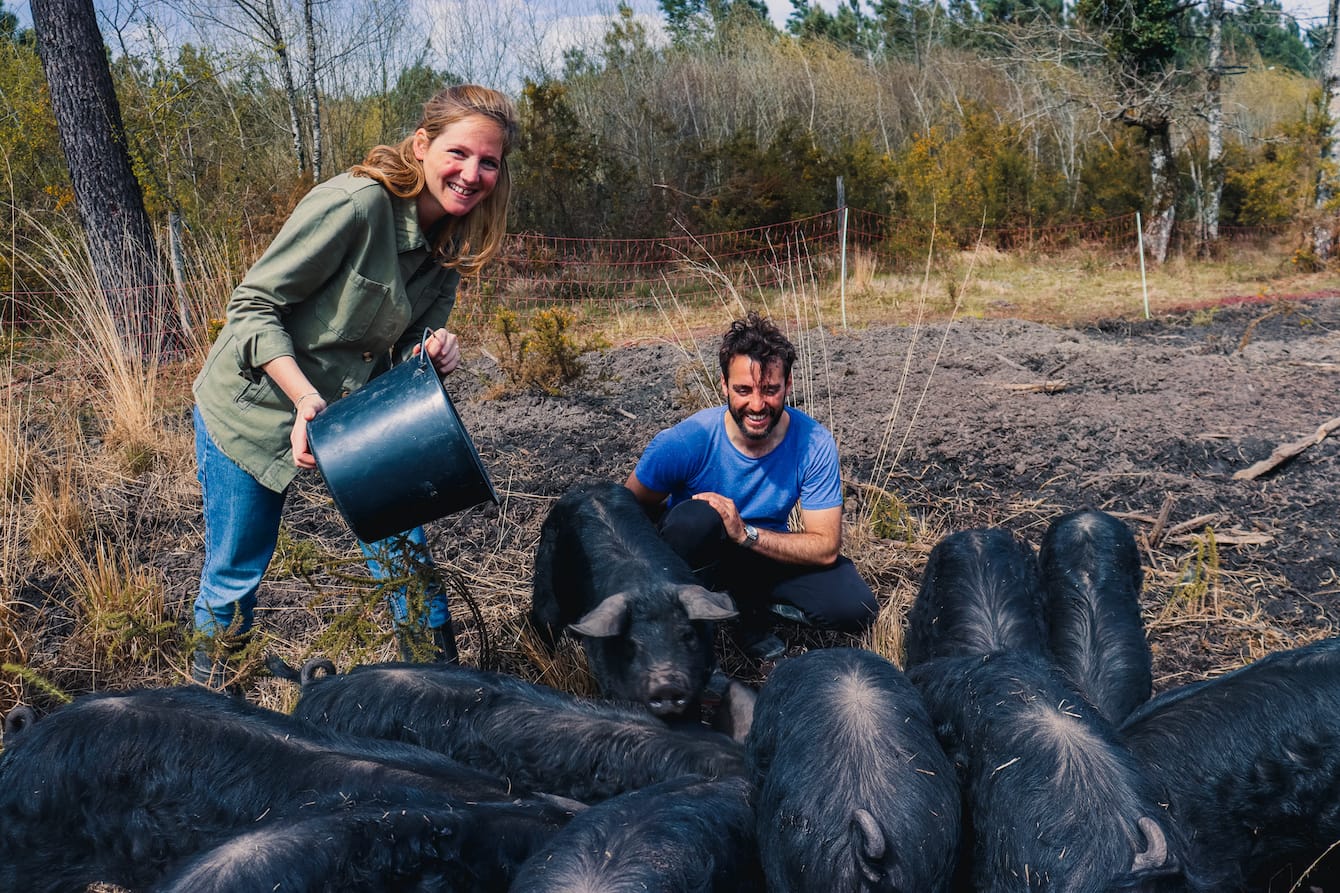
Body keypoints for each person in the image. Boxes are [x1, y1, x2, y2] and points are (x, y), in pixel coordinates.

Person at [190, 84, 519, 686]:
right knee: (236, 571)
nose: (472, 174)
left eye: (489, 161)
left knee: (406, 560)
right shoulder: (354, 206)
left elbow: (397, 355)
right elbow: (252, 307)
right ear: (422, 146)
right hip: (253, 409)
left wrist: (429, 354)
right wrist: (303, 398)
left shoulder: (452, 243)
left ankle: (437, 698)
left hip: (352, 422)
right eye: (458, 153)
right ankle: (212, 704)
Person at [624, 311, 878, 661]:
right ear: (724, 386)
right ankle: (693, 621)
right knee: (695, 520)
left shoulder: (814, 443)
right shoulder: (686, 441)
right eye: (743, 390)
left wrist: (744, 534)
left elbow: (825, 547)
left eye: (770, 390)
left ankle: (752, 606)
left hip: (760, 549)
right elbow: (626, 509)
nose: (757, 405)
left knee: (854, 605)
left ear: (788, 385)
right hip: (693, 557)